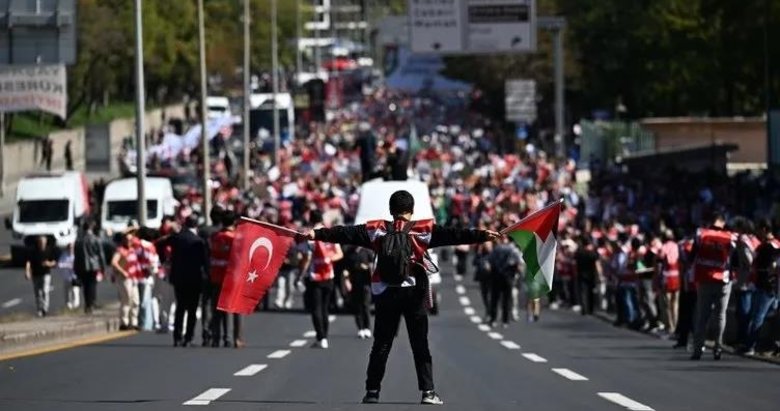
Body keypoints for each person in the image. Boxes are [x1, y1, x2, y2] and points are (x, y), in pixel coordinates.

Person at [301, 190, 499, 405]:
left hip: (385, 292)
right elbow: (455, 234)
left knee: (382, 344)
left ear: (391, 211)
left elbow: (344, 233)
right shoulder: (423, 230)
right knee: (420, 344)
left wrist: (317, 234)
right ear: (411, 211)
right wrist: (482, 235)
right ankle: (428, 392)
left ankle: (372, 391)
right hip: (414, 294)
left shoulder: (376, 230)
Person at [690, 214, 737, 360]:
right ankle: (718, 347)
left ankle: (698, 349)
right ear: (723, 223)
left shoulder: (701, 234)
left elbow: (692, 256)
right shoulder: (731, 237)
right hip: (723, 280)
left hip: (704, 279)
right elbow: (735, 260)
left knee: (702, 316)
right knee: (720, 315)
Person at [301, 210, 343, 349]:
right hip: (329, 275)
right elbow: (339, 254)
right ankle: (324, 336)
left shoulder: (310, 234)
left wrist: (301, 274)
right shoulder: (329, 233)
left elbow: (307, 257)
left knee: (316, 308)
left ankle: (321, 337)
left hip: (315, 276)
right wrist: (328, 259)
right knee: (325, 308)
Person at [165, 215, 208, 347]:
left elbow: (162, 243)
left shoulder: (177, 238)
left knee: (180, 307)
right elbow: (204, 262)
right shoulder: (199, 241)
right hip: (194, 279)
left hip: (179, 278)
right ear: (195, 226)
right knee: (192, 309)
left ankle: (177, 337)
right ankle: (188, 337)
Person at [208, 210, 244, 348]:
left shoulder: (215, 237)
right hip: (233, 277)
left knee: (217, 309)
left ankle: (216, 338)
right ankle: (235, 338)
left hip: (216, 276)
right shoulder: (237, 238)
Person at [743, 219, 779, 355]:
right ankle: (769, 345)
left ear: (764, 229)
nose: (757, 233)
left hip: (766, 286)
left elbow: (768, 266)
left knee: (758, 316)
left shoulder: (767, 247)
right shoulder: (775, 245)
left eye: (759, 229)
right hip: (772, 286)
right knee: (769, 316)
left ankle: (750, 346)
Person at [198, 206, 224, 346]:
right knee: (219, 305)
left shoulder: (203, 232)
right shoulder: (225, 232)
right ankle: (219, 333)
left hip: (206, 272)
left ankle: (206, 331)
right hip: (221, 273)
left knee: (206, 303)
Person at [487, 236, 522, 327]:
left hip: (496, 276)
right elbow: (518, 263)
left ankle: (493, 319)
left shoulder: (496, 249)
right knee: (507, 300)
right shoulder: (513, 250)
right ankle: (505, 320)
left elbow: (490, 261)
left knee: (495, 299)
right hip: (508, 277)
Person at [111, 228, 142, 330]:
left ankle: (134, 322)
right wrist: (122, 271)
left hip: (133, 278)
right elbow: (114, 263)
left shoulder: (132, 250)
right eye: (127, 240)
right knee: (126, 300)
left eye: (130, 240)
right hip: (125, 279)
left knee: (135, 301)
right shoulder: (121, 250)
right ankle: (124, 322)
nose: (129, 242)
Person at [74, 220, 106, 314]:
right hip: (94, 265)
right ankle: (92, 303)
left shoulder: (79, 240)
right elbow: (100, 254)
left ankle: (87, 304)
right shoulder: (95, 239)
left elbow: (76, 255)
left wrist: (76, 268)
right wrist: (103, 267)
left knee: (85, 285)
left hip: (82, 266)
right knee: (92, 284)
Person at [345, 245, 375, 339]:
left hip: (366, 284)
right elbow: (346, 269)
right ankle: (360, 328)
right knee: (357, 306)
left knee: (365, 305)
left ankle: (367, 328)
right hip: (354, 283)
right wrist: (346, 281)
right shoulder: (349, 252)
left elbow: (373, 266)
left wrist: (366, 267)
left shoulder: (367, 251)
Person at [25, 236, 58, 317]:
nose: (42, 244)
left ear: (46, 242)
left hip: (46, 274)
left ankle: (45, 309)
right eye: (40, 242)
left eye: (43, 242)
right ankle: (39, 309)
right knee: (37, 293)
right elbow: (28, 262)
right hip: (36, 274)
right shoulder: (33, 251)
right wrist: (27, 271)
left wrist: (49, 263)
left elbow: (54, 262)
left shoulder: (49, 250)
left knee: (45, 291)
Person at [657, 230, 681, 334]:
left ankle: (670, 326)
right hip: (677, 277)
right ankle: (675, 325)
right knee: (675, 304)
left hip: (667, 277)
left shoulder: (664, 247)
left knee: (667, 304)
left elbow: (660, 261)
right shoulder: (677, 246)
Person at [575, 236, 601, 316]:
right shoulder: (592, 253)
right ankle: (590, 309)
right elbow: (597, 262)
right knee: (590, 292)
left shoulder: (579, 252)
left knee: (583, 292)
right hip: (591, 274)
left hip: (582, 274)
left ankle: (584, 308)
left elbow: (575, 262)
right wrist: (599, 274)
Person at [57, 243, 79, 310]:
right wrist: (68, 265)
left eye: (72, 248)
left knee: (75, 290)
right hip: (66, 277)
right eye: (69, 248)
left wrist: (72, 266)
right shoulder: (64, 255)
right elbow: (60, 264)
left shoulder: (76, 255)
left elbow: (78, 264)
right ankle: (68, 305)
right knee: (67, 292)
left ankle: (75, 305)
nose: (71, 249)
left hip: (74, 276)